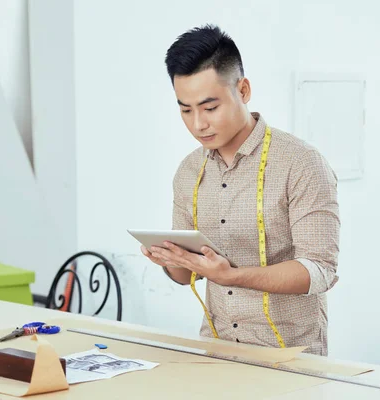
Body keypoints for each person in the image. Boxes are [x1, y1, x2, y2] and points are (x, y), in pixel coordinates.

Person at [140, 24, 340, 356]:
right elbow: (182, 276)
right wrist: (170, 258)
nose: (198, 124)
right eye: (185, 109)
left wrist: (232, 276)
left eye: (210, 107)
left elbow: (320, 270)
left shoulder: (301, 162)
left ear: (243, 90)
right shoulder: (189, 171)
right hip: (215, 351)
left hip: (291, 356)